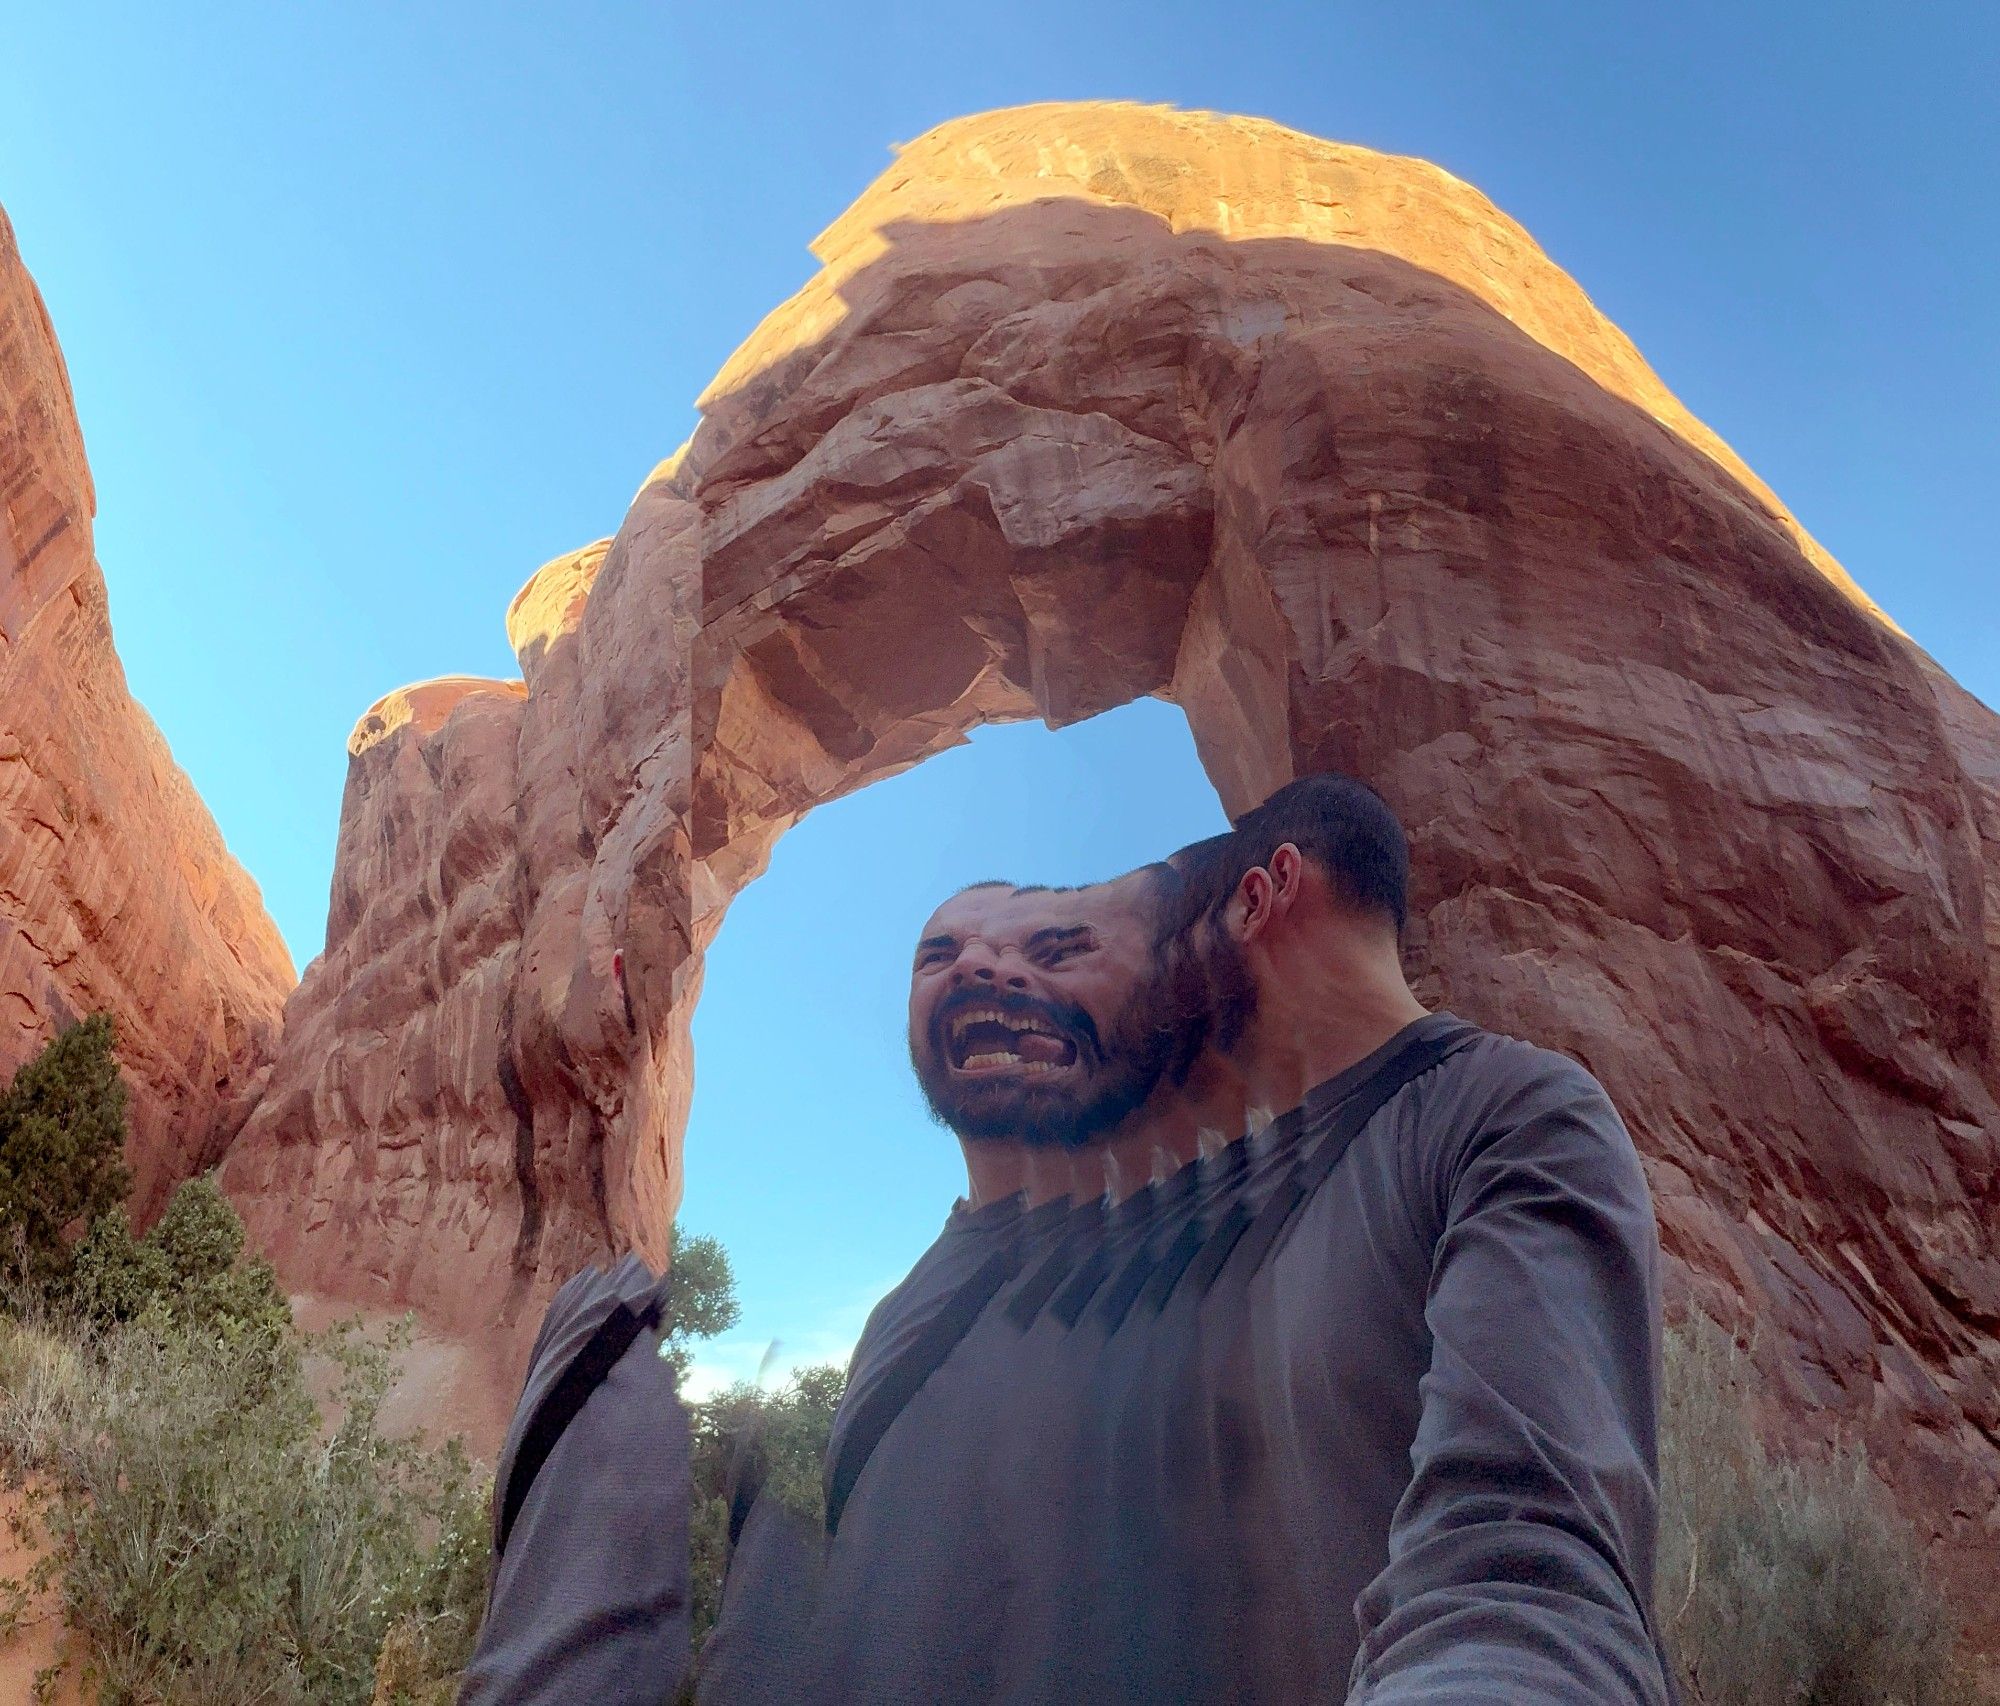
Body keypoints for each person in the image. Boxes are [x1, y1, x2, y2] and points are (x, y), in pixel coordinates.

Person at [703, 771, 1674, 1702]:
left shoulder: (1480, 1115)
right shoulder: (914, 1316)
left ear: (1260, 898)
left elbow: (1522, 1571)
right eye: (937, 953)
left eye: (1058, 948)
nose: (982, 967)